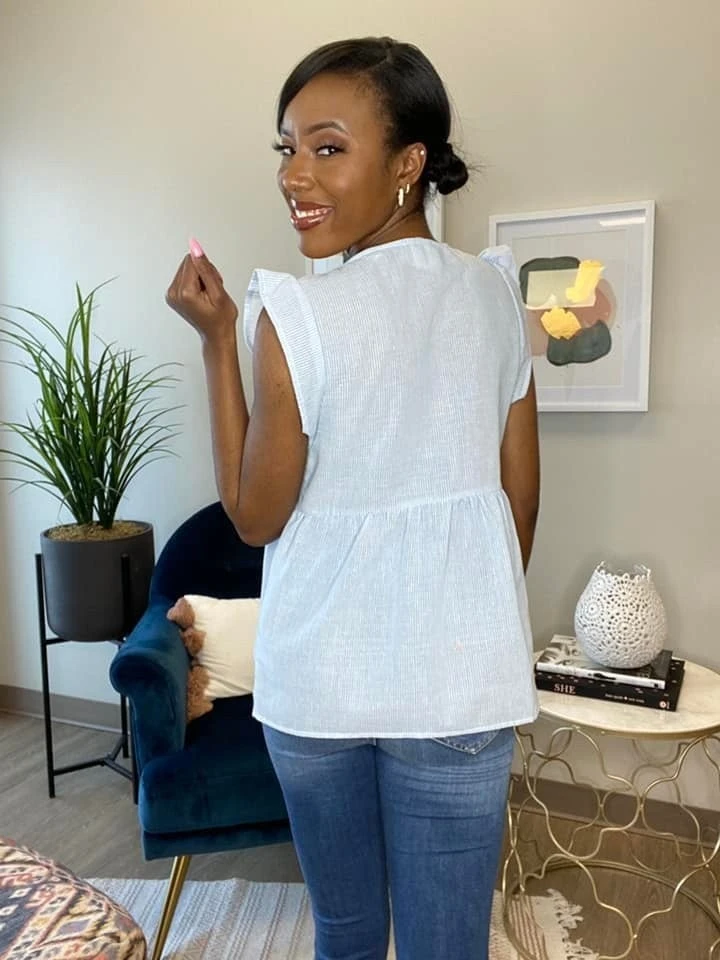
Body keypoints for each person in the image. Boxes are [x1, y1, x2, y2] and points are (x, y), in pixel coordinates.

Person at [166, 36, 540, 960]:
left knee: (345, 929)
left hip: (319, 684)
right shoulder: (495, 296)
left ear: (409, 163)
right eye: (288, 147)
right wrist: (458, 612)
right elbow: (518, 506)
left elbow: (255, 517)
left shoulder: (298, 312)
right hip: (461, 679)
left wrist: (216, 341)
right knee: (449, 943)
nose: (295, 175)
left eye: (328, 147)